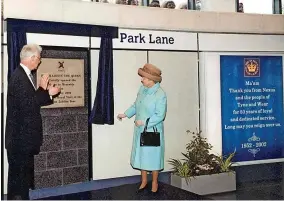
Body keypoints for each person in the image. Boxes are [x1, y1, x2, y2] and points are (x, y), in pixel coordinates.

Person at [5, 44, 61, 200]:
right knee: (19, 182)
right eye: (39, 58)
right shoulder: (19, 77)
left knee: (20, 181)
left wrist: (43, 90)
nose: (40, 61)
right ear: (32, 58)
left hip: (22, 141)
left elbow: (29, 102)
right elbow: (28, 105)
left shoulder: (22, 75)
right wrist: (46, 91)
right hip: (20, 141)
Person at [117, 63, 167, 194]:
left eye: (144, 78)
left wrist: (144, 122)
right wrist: (126, 114)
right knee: (142, 156)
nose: (142, 79)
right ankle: (144, 181)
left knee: (153, 157)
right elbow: (136, 105)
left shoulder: (160, 94)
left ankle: (155, 182)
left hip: (152, 130)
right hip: (140, 130)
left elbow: (160, 115)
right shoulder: (142, 89)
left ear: (152, 80)